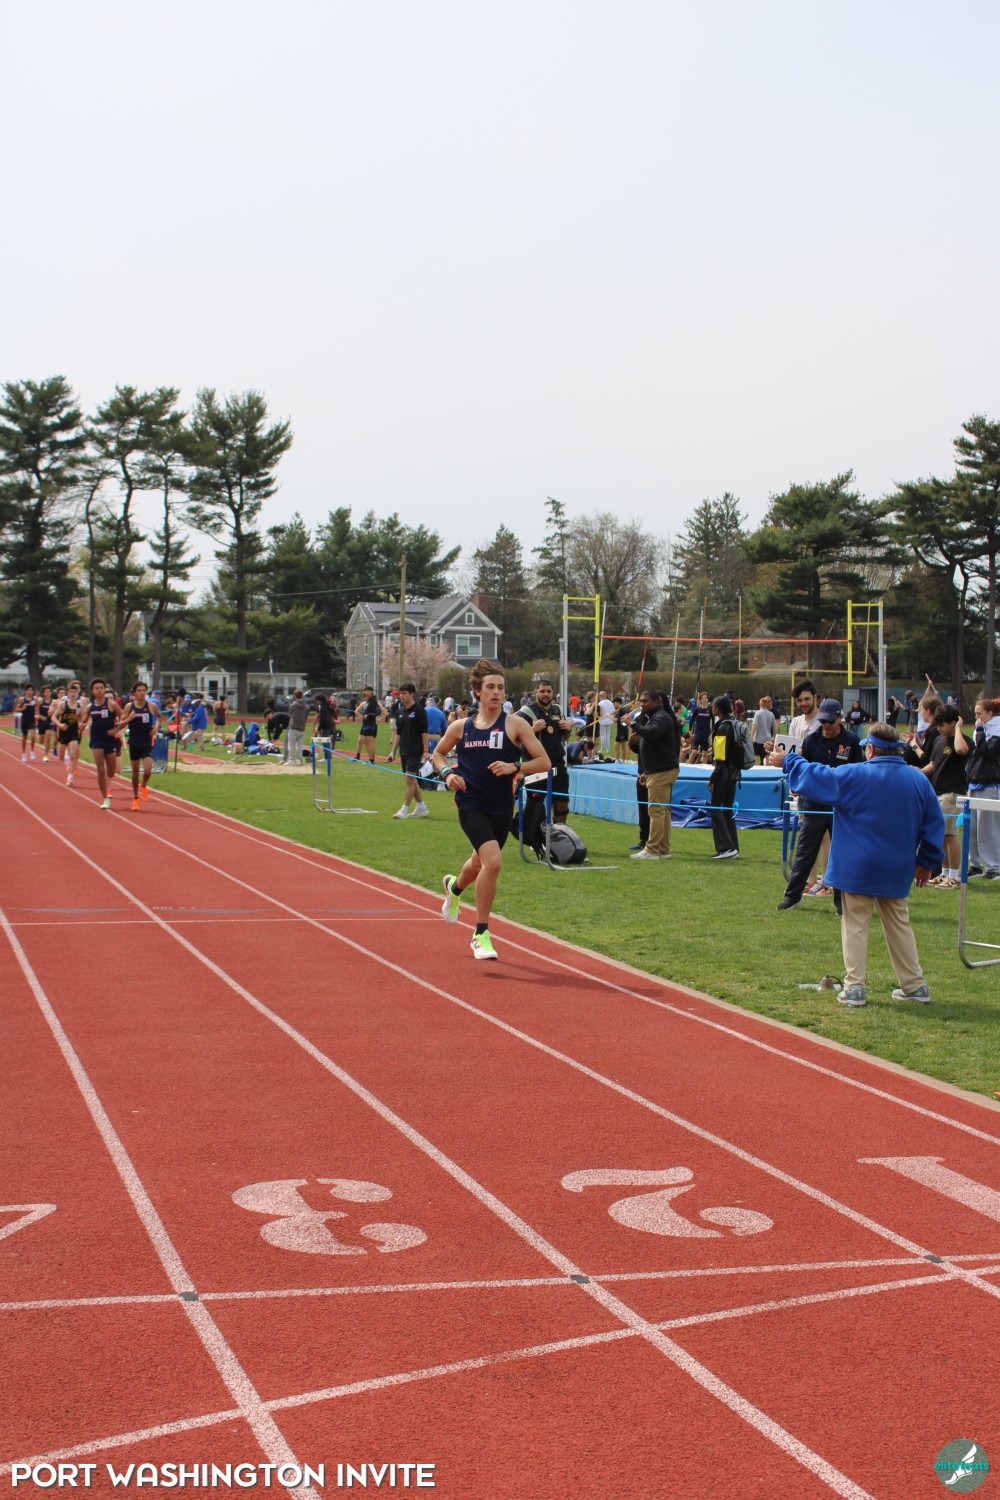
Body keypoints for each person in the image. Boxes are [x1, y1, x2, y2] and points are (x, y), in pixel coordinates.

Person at [785, 722, 945, 1007]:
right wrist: (927, 862)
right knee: (899, 925)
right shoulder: (917, 779)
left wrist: (789, 759)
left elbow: (814, 776)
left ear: (870, 749)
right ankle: (914, 985)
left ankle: (855, 987)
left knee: (855, 924)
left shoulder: (854, 774)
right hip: (897, 867)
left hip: (856, 866)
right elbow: (934, 824)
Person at [432, 658, 549, 959]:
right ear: (478, 691)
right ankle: (480, 934)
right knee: (493, 863)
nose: (497, 692)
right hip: (470, 804)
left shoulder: (515, 724)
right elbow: (438, 754)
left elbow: (544, 762)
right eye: (491, 687)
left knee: (478, 863)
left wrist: (515, 766)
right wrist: (447, 774)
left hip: (501, 808)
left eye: (501, 688)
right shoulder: (462, 727)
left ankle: (453, 888)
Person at [772, 700, 862, 912]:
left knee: (841, 854)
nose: (826, 725)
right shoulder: (811, 741)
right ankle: (792, 896)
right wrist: (797, 787)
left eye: (830, 721)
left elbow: (859, 773)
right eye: (822, 721)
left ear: (839, 718)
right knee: (805, 851)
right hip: (815, 805)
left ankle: (841, 901)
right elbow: (803, 771)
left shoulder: (851, 741)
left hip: (841, 807)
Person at [913, 704, 968, 890]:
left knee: (951, 834)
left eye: (943, 725)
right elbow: (933, 764)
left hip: (952, 792)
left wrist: (958, 728)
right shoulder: (938, 740)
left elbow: (961, 750)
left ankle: (954, 876)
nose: (939, 729)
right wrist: (918, 772)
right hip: (937, 792)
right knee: (942, 835)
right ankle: (944, 873)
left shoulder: (962, 740)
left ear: (953, 723)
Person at [628, 689, 680, 860]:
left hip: (662, 770)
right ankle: (663, 849)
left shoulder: (661, 717)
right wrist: (646, 771)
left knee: (656, 810)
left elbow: (652, 733)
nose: (642, 704)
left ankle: (651, 850)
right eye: (641, 701)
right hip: (657, 770)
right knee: (663, 811)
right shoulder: (654, 717)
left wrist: (633, 724)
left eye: (646, 701)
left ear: (657, 702)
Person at [515, 678, 572, 824]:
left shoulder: (558, 710)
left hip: (558, 764)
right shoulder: (526, 712)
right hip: (536, 765)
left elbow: (565, 738)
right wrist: (533, 729)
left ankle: (559, 832)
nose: (546, 694)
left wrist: (568, 730)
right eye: (542, 691)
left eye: (548, 691)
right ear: (536, 692)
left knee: (562, 803)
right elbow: (515, 737)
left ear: (552, 692)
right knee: (536, 804)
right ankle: (534, 835)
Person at [966, 696, 1000, 880]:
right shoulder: (980, 729)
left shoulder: (997, 729)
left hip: (990, 782)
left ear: (990, 713)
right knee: (972, 827)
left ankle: (994, 867)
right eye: (975, 714)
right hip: (974, 780)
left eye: (979, 714)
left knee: (987, 828)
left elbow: (986, 752)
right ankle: (975, 865)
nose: (976, 717)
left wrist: (979, 731)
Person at [708, 696, 743, 859]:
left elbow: (720, 757)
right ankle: (733, 846)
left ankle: (726, 847)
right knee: (727, 810)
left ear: (718, 709)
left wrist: (713, 778)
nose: (712, 708)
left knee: (715, 808)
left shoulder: (722, 727)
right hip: (735, 773)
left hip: (724, 774)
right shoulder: (734, 724)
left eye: (713, 706)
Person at [118, 682, 162, 810]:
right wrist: (129, 719)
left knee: (147, 770)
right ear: (134, 693)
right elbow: (120, 724)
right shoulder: (129, 707)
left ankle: (143, 784)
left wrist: (156, 727)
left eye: (144, 690)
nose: (142, 692)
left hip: (147, 742)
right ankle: (135, 797)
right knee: (135, 773)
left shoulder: (151, 706)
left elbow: (160, 717)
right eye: (139, 690)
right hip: (134, 743)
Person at [80, 677, 121, 809]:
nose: (99, 690)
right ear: (92, 691)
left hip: (110, 740)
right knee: (100, 769)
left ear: (105, 689)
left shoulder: (112, 705)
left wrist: (116, 730)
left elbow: (124, 718)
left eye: (101, 688)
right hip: (96, 740)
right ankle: (105, 798)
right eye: (96, 688)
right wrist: (81, 726)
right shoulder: (90, 707)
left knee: (111, 771)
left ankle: (107, 786)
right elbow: (83, 721)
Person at [391, 683, 430, 818]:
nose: (402, 696)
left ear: (412, 694)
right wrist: (393, 751)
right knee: (411, 780)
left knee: (409, 779)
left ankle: (404, 810)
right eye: (400, 693)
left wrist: (425, 750)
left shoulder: (419, 711)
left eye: (405, 693)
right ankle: (421, 807)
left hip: (415, 750)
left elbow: (424, 732)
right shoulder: (400, 711)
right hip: (404, 751)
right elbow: (398, 733)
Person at [354, 685, 385, 763]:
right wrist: (362, 717)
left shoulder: (374, 701)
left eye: (368, 691)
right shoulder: (367, 702)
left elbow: (379, 712)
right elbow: (356, 711)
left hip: (371, 724)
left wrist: (376, 719)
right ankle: (359, 757)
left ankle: (371, 759)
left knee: (370, 741)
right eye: (365, 691)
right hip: (365, 723)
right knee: (362, 740)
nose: (366, 692)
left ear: (372, 692)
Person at [282, 689, 310, 764]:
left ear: (295, 696)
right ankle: (299, 760)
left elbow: (290, 713)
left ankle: (291, 760)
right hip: (302, 727)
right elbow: (306, 716)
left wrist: (293, 703)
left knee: (291, 745)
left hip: (293, 727)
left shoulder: (293, 705)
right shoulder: (306, 706)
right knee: (300, 746)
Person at [689, 692, 713, 764]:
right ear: (700, 700)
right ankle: (687, 767)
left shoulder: (710, 710)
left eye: (705, 698)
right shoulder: (697, 709)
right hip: (698, 732)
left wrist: (712, 733)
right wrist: (690, 731)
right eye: (702, 698)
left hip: (706, 733)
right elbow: (691, 720)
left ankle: (704, 769)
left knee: (704, 754)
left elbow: (713, 722)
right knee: (694, 752)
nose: (704, 699)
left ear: (707, 699)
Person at [751, 696, 776, 765]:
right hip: (768, 739)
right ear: (766, 704)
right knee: (767, 757)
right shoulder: (771, 714)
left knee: (756, 756)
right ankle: (767, 769)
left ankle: (755, 768)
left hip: (758, 739)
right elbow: (774, 727)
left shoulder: (757, 713)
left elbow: (754, 726)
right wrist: (774, 737)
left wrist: (752, 736)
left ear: (760, 704)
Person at [17, 684, 38, 761]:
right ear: (26, 691)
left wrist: (37, 716)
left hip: (32, 720)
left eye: (31, 690)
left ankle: (32, 750)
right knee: (25, 737)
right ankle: (23, 753)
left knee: (33, 736)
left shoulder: (34, 699)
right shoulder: (22, 699)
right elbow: (17, 709)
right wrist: (22, 708)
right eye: (29, 690)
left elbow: (37, 708)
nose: (30, 691)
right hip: (24, 720)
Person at [36, 685, 56, 762]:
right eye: (46, 691)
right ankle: (39, 734)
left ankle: (46, 755)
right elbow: (36, 711)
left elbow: (55, 711)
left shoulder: (53, 702)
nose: (48, 693)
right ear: (43, 693)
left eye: (49, 691)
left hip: (49, 721)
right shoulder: (40, 701)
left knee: (48, 738)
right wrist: (40, 716)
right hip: (41, 721)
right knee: (41, 741)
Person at [597, 692, 615, 758]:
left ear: (601, 696)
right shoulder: (610, 702)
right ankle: (607, 748)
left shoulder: (600, 703)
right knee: (607, 734)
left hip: (603, 720)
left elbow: (599, 712)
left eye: (599, 695)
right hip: (609, 720)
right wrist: (612, 718)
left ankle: (603, 748)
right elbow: (613, 711)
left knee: (603, 735)